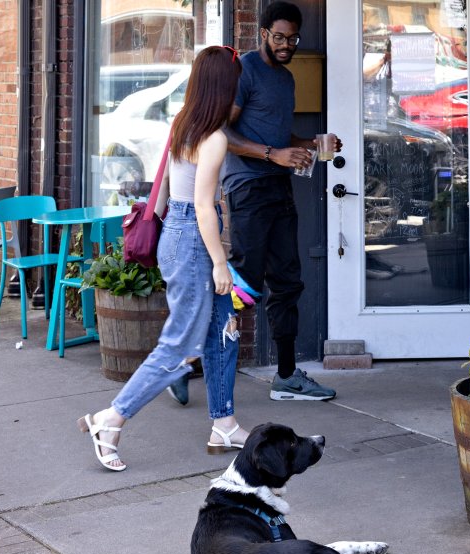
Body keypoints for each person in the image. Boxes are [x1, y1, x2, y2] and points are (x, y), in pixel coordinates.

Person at [78, 46, 248, 472]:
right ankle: (111, 419)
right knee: (178, 346)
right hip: (194, 239)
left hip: (180, 233)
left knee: (224, 330)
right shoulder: (214, 138)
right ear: (224, 87)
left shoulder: (184, 124)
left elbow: (169, 189)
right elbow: (204, 207)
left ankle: (224, 423)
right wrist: (220, 262)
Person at [222, 1, 341, 401]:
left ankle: (287, 376)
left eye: (292, 38)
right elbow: (225, 132)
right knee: (244, 282)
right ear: (263, 34)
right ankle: (188, 359)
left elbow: (279, 134)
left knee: (287, 282)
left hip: (278, 186)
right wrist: (274, 155)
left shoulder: (286, 79)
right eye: (279, 37)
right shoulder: (244, 71)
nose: (286, 44)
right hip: (248, 187)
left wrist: (310, 144)